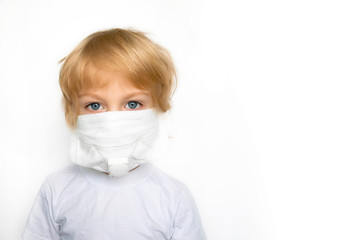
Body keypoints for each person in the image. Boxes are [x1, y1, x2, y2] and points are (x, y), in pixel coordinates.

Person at [22, 28, 206, 240]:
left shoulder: (174, 197)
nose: (113, 123)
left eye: (132, 104)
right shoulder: (56, 190)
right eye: (95, 105)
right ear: (73, 113)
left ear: (160, 109)